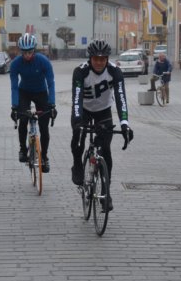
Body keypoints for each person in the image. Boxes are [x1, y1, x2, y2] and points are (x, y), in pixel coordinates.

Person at [70, 39, 134, 212]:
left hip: (104, 111)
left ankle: (106, 192)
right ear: (90, 58)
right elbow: (76, 99)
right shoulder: (80, 72)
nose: (99, 62)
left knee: (105, 149)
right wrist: (78, 122)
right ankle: (77, 165)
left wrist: (125, 124)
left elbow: (121, 98)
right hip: (83, 110)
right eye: (96, 59)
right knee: (78, 138)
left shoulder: (115, 72)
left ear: (107, 59)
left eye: (103, 59)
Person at [9, 33, 56, 172]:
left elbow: (51, 83)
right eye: (24, 52)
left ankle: (44, 157)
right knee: (23, 119)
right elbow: (14, 87)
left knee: (44, 127)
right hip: (24, 92)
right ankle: (23, 149)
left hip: (41, 92)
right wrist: (14, 107)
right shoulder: (16, 63)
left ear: (34, 50)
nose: (27, 55)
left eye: (30, 52)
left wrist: (52, 104)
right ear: (21, 51)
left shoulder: (43, 61)